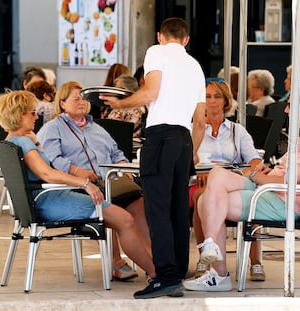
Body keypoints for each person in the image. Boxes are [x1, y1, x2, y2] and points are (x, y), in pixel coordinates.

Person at [0, 90, 156, 284]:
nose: (37, 117)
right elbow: (47, 173)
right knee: (125, 220)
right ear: (18, 115)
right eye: (32, 113)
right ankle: (156, 272)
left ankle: (143, 266)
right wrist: (85, 183)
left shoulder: (11, 142)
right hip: (50, 200)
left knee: (125, 216)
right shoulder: (23, 143)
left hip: (38, 201)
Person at [183, 84, 300, 292]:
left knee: (206, 200)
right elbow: (285, 173)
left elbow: (289, 181)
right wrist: (267, 171)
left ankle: (218, 274)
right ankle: (210, 245)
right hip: (270, 190)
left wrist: (256, 175)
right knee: (217, 175)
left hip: (280, 201)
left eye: (290, 105)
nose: (286, 110)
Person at [100, 17, 206, 299]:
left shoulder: (156, 52)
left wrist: (121, 103)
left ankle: (166, 277)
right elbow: (201, 122)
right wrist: (191, 149)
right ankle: (177, 273)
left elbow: (151, 92)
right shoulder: (195, 66)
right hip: (183, 139)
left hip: (161, 137)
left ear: (160, 36)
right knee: (177, 210)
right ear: (186, 39)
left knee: (157, 210)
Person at [37, 81, 151, 282]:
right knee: (110, 206)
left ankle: (155, 258)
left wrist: (123, 165)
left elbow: (116, 152)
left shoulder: (96, 127)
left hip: (111, 181)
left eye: (83, 98)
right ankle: (117, 262)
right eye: (76, 99)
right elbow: (51, 160)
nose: (82, 102)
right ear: (62, 103)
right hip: (79, 186)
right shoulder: (53, 128)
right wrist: (77, 171)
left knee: (140, 206)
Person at [190, 77, 264, 279]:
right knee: (200, 197)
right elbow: (186, 161)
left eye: (217, 96)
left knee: (253, 198)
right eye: (207, 96)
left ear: (225, 101)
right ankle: (204, 258)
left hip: (231, 181)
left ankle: (256, 261)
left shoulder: (237, 131)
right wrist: (199, 172)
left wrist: (249, 169)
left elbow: (254, 160)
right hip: (199, 181)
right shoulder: (193, 129)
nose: (212, 101)